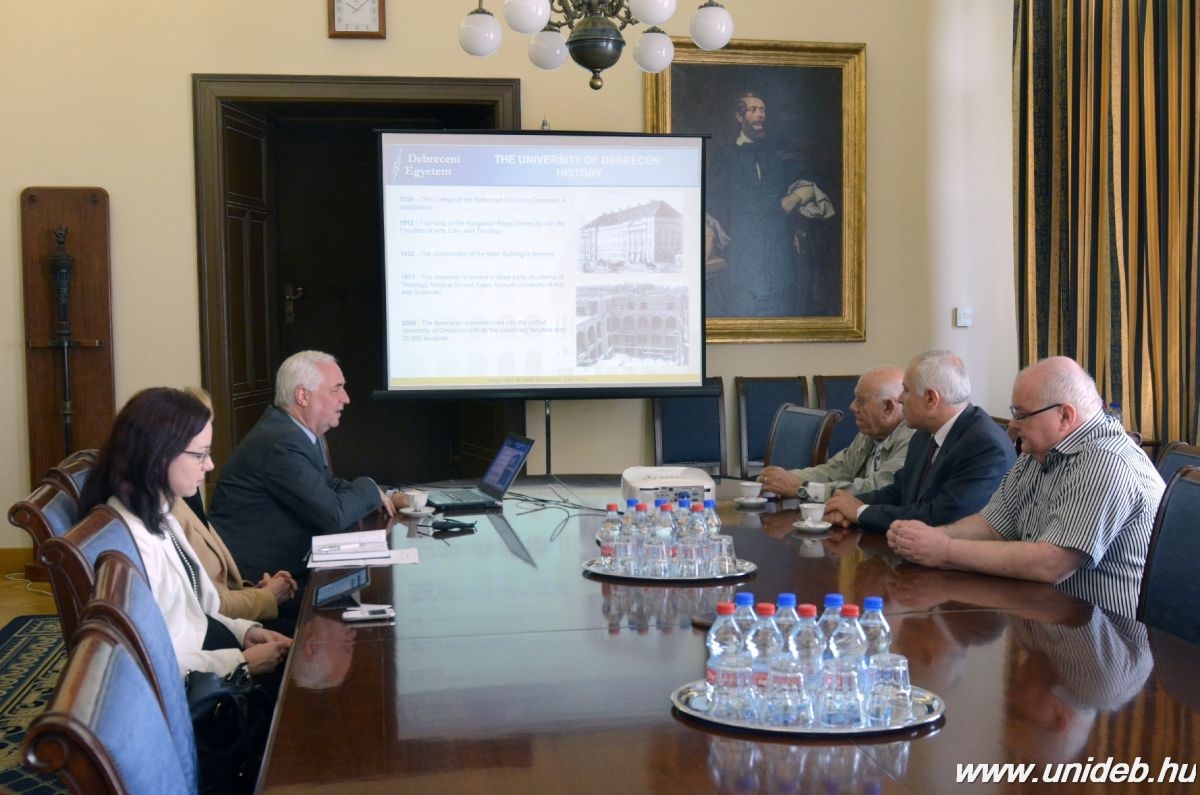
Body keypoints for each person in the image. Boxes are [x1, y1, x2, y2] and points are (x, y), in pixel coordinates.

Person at [886, 356, 1164, 618]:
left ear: (1065, 416)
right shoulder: (1038, 451)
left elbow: (1052, 563)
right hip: (1047, 613)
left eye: (1021, 415)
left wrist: (944, 550)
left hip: (1106, 629)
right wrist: (929, 538)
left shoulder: (1105, 461)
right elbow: (991, 526)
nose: (1013, 425)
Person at [79, 388, 292, 678]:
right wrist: (240, 663)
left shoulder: (158, 508)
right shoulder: (131, 540)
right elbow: (149, 662)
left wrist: (245, 633)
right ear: (158, 454)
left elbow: (197, 610)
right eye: (200, 455)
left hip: (213, 650)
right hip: (203, 678)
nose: (210, 465)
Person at [210, 350, 405, 586]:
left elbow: (326, 484)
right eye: (336, 389)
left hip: (287, 567)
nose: (346, 398)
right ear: (303, 396)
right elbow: (333, 515)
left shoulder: (290, 430)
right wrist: (369, 486)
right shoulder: (281, 442)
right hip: (261, 582)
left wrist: (384, 494)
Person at [824, 349, 1015, 533]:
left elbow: (942, 518)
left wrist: (860, 512)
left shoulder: (984, 445)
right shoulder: (923, 434)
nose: (900, 398)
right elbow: (899, 491)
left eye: (906, 390)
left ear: (931, 398)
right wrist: (846, 505)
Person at [705, 90, 837, 318]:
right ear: (739, 116)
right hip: (743, 261)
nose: (760, 115)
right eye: (753, 110)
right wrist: (709, 235)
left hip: (780, 260)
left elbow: (809, 179)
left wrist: (795, 197)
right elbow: (711, 200)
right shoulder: (724, 156)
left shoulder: (777, 151)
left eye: (763, 110)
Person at [173, 387, 297, 627]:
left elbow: (219, 587)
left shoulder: (187, 495)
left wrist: (257, 592)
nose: (210, 465)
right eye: (200, 454)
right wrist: (266, 596)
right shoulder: (165, 511)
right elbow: (204, 605)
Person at [758, 365, 913, 500]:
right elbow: (837, 470)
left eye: (861, 401)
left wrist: (802, 488)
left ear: (887, 407)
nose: (852, 407)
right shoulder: (870, 433)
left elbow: (875, 490)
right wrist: (782, 479)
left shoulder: (912, 440)